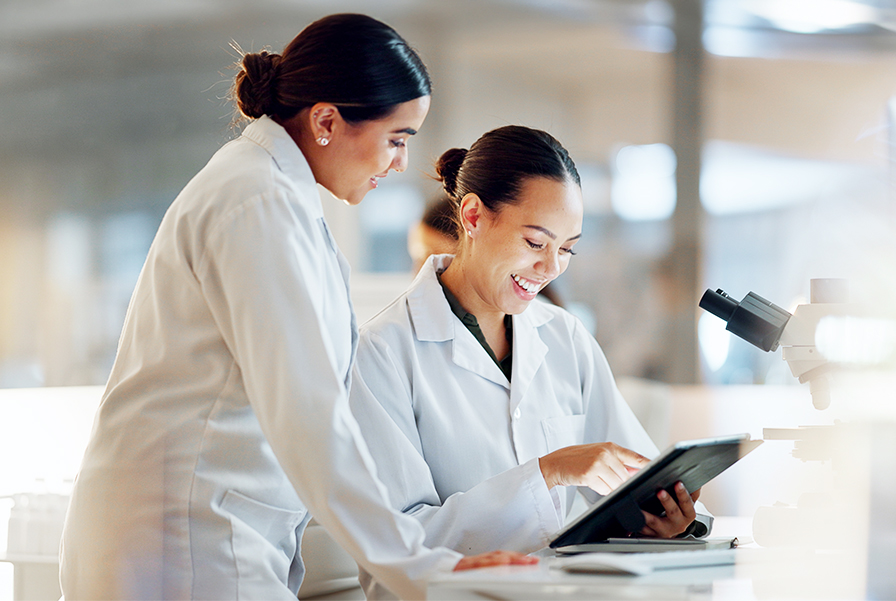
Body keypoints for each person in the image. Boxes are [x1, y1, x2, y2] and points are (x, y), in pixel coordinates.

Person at [59, 14, 534, 601]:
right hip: (184, 533)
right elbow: (307, 410)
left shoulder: (275, 194)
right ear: (327, 120)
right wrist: (420, 566)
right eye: (397, 139)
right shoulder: (255, 200)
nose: (400, 164)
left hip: (212, 525)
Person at [349, 125, 712, 598]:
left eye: (566, 249)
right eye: (536, 243)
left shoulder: (564, 336)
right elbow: (399, 543)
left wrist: (663, 518)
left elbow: (629, 477)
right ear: (474, 215)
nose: (552, 268)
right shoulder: (383, 351)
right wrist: (550, 471)